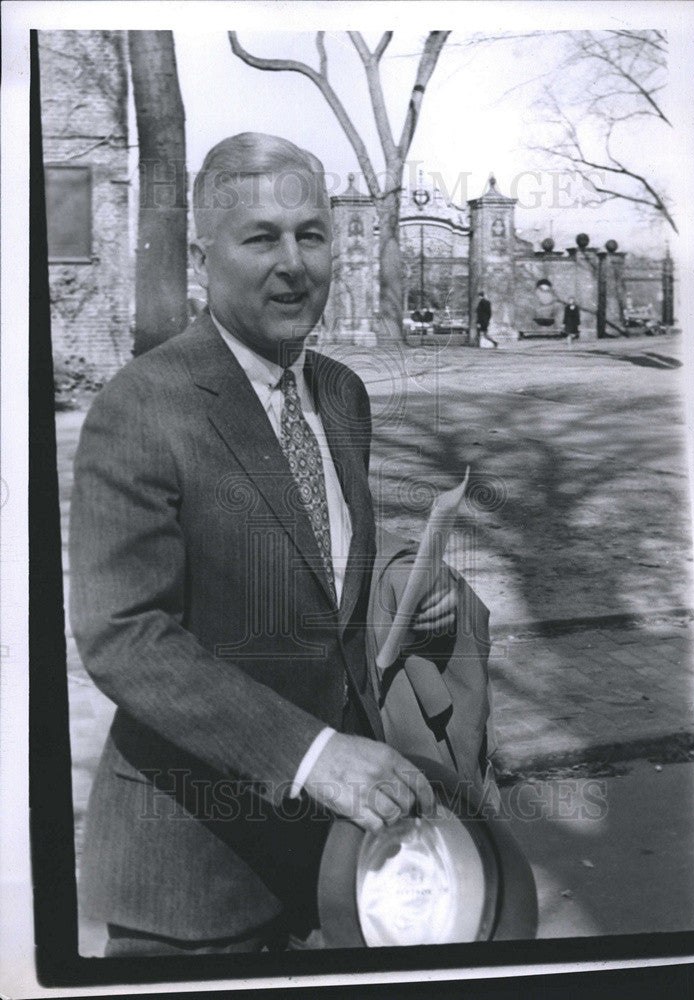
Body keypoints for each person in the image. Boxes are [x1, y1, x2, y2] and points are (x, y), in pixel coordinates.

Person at [69, 133, 459, 957]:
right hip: (195, 877)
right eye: (260, 237)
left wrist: (399, 585)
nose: (293, 263)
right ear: (202, 255)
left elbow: (318, 560)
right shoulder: (145, 405)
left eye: (311, 235)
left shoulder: (340, 393)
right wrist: (311, 755)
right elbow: (125, 636)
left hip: (340, 862)